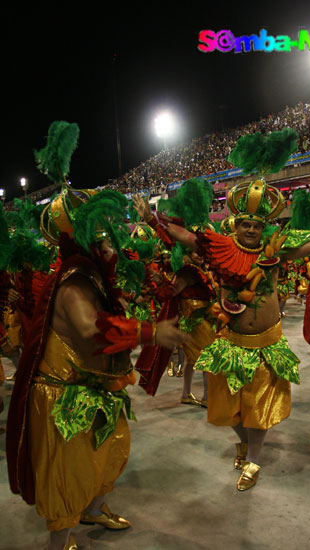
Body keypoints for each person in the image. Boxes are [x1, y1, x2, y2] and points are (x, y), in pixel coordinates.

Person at [134, 130, 310, 492]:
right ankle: (244, 441)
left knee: (259, 407)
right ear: (236, 224)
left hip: (267, 342)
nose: (251, 230)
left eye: (257, 226)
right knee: (227, 408)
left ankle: (254, 458)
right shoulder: (219, 246)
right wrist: (152, 220)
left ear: (263, 227)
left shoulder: (277, 248)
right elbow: (187, 238)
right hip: (231, 340)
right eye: (245, 224)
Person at [6, 124, 187, 550]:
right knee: (68, 474)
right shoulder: (72, 283)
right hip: (64, 395)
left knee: (112, 452)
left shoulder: (91, 274)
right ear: (81, 239)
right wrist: (150, 331)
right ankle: (62, 539)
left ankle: (93, 508)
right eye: (101, 235)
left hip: (95, 390)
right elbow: (91, 331)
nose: (111, 242)